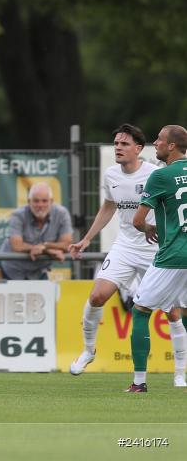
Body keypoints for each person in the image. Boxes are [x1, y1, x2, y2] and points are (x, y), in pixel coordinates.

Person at [68, 124, 186, 385]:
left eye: (124, 144)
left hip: (155, 247)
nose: (118, 148)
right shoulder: (111, 175)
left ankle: (180, 373)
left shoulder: (156, 173)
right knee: (97, 295)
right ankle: (89, 351)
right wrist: (87, 239)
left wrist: (152, 228)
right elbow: (109, 207)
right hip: (125, 247)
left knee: (173, 313)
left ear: (138, 149)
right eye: (116, 144)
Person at [128, 125, 187, 393]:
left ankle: (139, 382)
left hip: (173, 256)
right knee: (183, 313)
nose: (155, 142)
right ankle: (181, 377)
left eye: (159, 140)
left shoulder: (161, 176)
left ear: (171, 146)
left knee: (140, 310)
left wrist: (149, 229)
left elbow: (138, 220)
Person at [0, 182, 72, 280]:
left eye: (44, 201)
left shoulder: (62, 214)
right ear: (29, 201)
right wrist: (48, 250)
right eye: (36, 201)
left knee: (45, 295)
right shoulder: (18, 215)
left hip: (39, 271)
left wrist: (44, 246)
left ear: (52, 201)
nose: (40, 205)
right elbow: (16, 245)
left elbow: (67, 244)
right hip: (11, 269)